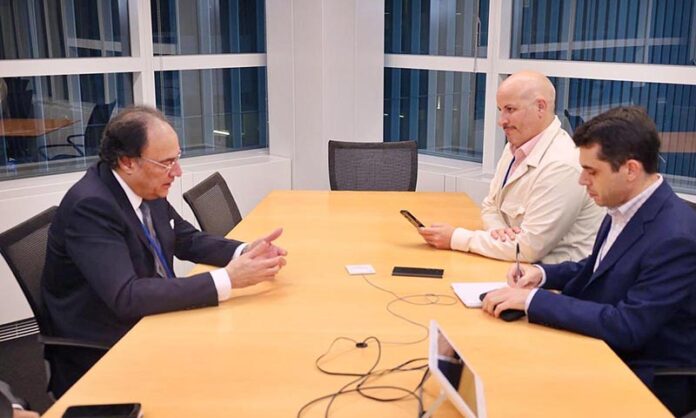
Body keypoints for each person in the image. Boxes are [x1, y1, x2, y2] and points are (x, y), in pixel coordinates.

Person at [42, 106, 288, 397]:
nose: (178, 172)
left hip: (154, 315)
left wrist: (246, 251)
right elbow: (126, 297)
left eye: (177, 159)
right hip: (109, 342)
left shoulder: (145, 184)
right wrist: (228, 279)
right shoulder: (92, 207)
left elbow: (187, 239)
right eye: (167, 162)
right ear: (127, 162)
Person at [481, 106, 696, 416]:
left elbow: (627, 327)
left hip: (642, 376)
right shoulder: (624, 206)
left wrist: (532, 301)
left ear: (630, 170)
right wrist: (541, 275)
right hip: (602, 348)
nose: (582, 181)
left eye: (591, 171)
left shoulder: (676, 238)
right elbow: (598, 268)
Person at [419, 71, 603, 263]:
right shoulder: (516, 146)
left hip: (553, 282)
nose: (501, 121)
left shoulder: (562, 164)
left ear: (541, 107)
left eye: (510, 109)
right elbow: (491, 205)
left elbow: (529, 249)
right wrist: (499, 231)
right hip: (513, 265)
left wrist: (456, 238)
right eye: (500, 110)